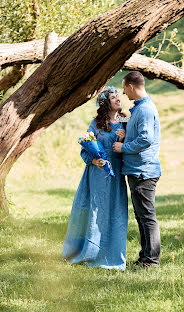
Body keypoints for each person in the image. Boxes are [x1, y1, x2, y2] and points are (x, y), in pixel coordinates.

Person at [63, 86, 128, 271]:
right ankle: (89, 252)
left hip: (116, 175)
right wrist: (94, 160)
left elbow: (132, 145)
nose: (118, 99)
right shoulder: (96, 124)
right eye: (114, 97)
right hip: (96, 175)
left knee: (114, 212)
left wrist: (126, 137)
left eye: (118, 96)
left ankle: (111, 255)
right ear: (106, 103)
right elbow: (85, 149)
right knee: (94, 211)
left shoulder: (125, 121)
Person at [113, 71, 161, 267]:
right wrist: (125, 135)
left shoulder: (145, 110)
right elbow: (139, 136)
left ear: (131, 87)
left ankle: (151, 261)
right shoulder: (138, 109)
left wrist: (123, 147)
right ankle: (145, 257)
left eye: (124, 88)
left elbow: (146, 139)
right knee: (141, 216)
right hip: (135, 169)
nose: (124, 93)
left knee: (147, 217)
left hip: (143, 170)